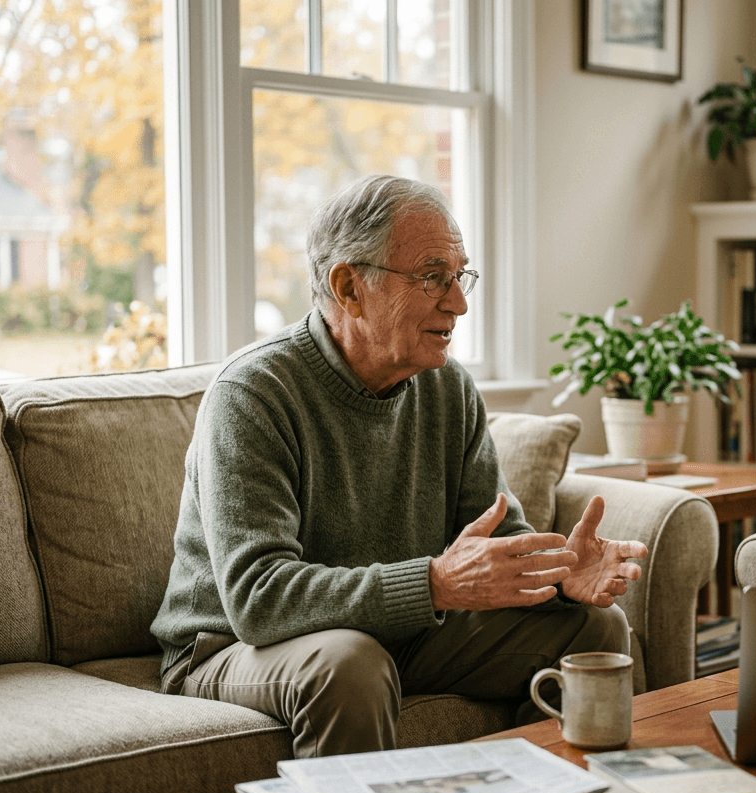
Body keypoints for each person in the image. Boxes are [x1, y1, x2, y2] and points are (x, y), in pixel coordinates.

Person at [150, 175, 647, 757]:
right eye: (432, 277)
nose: (458, 302)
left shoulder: (446, 388)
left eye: (460, 277)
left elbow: (498, 537)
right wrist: (435, 584)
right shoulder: (254, 393)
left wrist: (556, 572)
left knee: (595, 631)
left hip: (399, 632)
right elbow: (259, 600)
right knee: (349, 661)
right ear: (348, 287)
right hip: (231, 645)